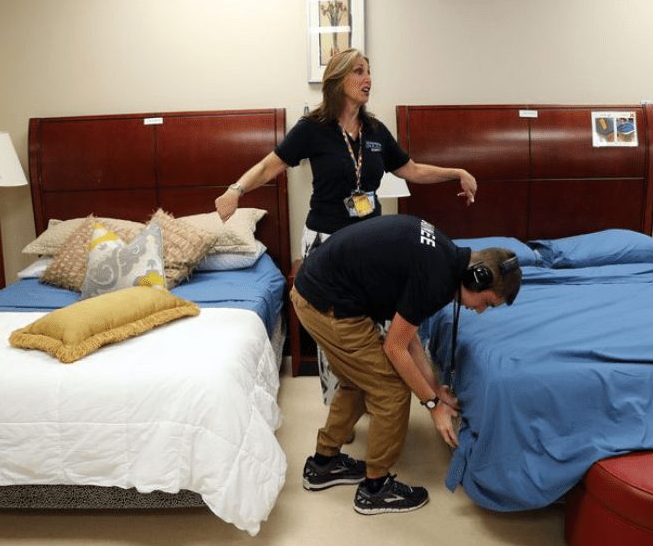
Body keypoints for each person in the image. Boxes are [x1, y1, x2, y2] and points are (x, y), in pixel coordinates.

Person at [215, 48, 477, 403]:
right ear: (338, 80)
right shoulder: (313, 129)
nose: (368, 79)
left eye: (369, 72)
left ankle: (376, 396)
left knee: (380, 322)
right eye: (359, 71)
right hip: (326, 241)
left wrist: (456, 173)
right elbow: (269, 166)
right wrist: (236, 189)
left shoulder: (375, 131)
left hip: (371, 244)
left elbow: (411, 170)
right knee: (335, 328)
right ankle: (339, 402)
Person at [290, 214, 521, 515]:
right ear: (477, 278)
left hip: (317, 292)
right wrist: (432, 405)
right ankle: (376, 489)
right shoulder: (436, 277)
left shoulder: (445, 257)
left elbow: (409, 338)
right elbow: (395, 348)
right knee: (391, 390)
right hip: (328, 304)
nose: (480, 311)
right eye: (487, 303)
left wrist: (435, 389)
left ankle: (323, 464)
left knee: (359, 379)